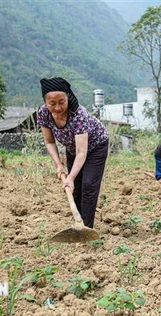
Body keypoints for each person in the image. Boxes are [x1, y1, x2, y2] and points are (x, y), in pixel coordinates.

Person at [37, 77, 109, 228]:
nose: (57, 107)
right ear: (45, 102)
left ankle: (86, 228)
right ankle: (79, 224)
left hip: (95, 147)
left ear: (67, 98)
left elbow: (82, 152)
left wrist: (69, 177)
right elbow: (49, 141)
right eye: (52, 103)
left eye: (61, 102)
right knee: (74, 187)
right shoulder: (43, 113)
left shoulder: (78, 114)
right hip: (72, 149)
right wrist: (58, 165)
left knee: (88, 185)